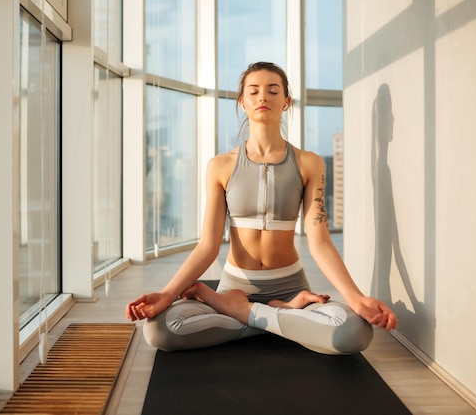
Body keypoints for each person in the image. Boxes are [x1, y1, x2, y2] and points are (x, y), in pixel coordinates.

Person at [125, 62, 397, 355]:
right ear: (242, 102)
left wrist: (355, 298)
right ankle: (279, 315)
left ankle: (240, 311)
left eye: (273, 90)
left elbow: (320, 241)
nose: (263, 97)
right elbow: (208, 245)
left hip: (290, 287)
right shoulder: (221, 166)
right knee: (159, 331)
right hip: (236, 284)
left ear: (286, 101)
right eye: (253, 91)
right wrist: (167, 294)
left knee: (354, 333)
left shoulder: (309, 163)